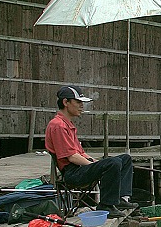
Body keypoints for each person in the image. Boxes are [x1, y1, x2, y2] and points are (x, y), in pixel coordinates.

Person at [44, 86, 140, 219]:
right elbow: (72, 157)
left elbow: (82, 153)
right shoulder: (58, 125)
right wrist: (99, 165)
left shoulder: (67, 124)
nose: (81, 106)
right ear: (66, 102)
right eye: (78, 102)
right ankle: (106, 204)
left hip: (79, 168)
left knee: (125, 159)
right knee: (113, 163)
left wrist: (97, 163)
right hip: (72, 173)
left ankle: (120, 199)